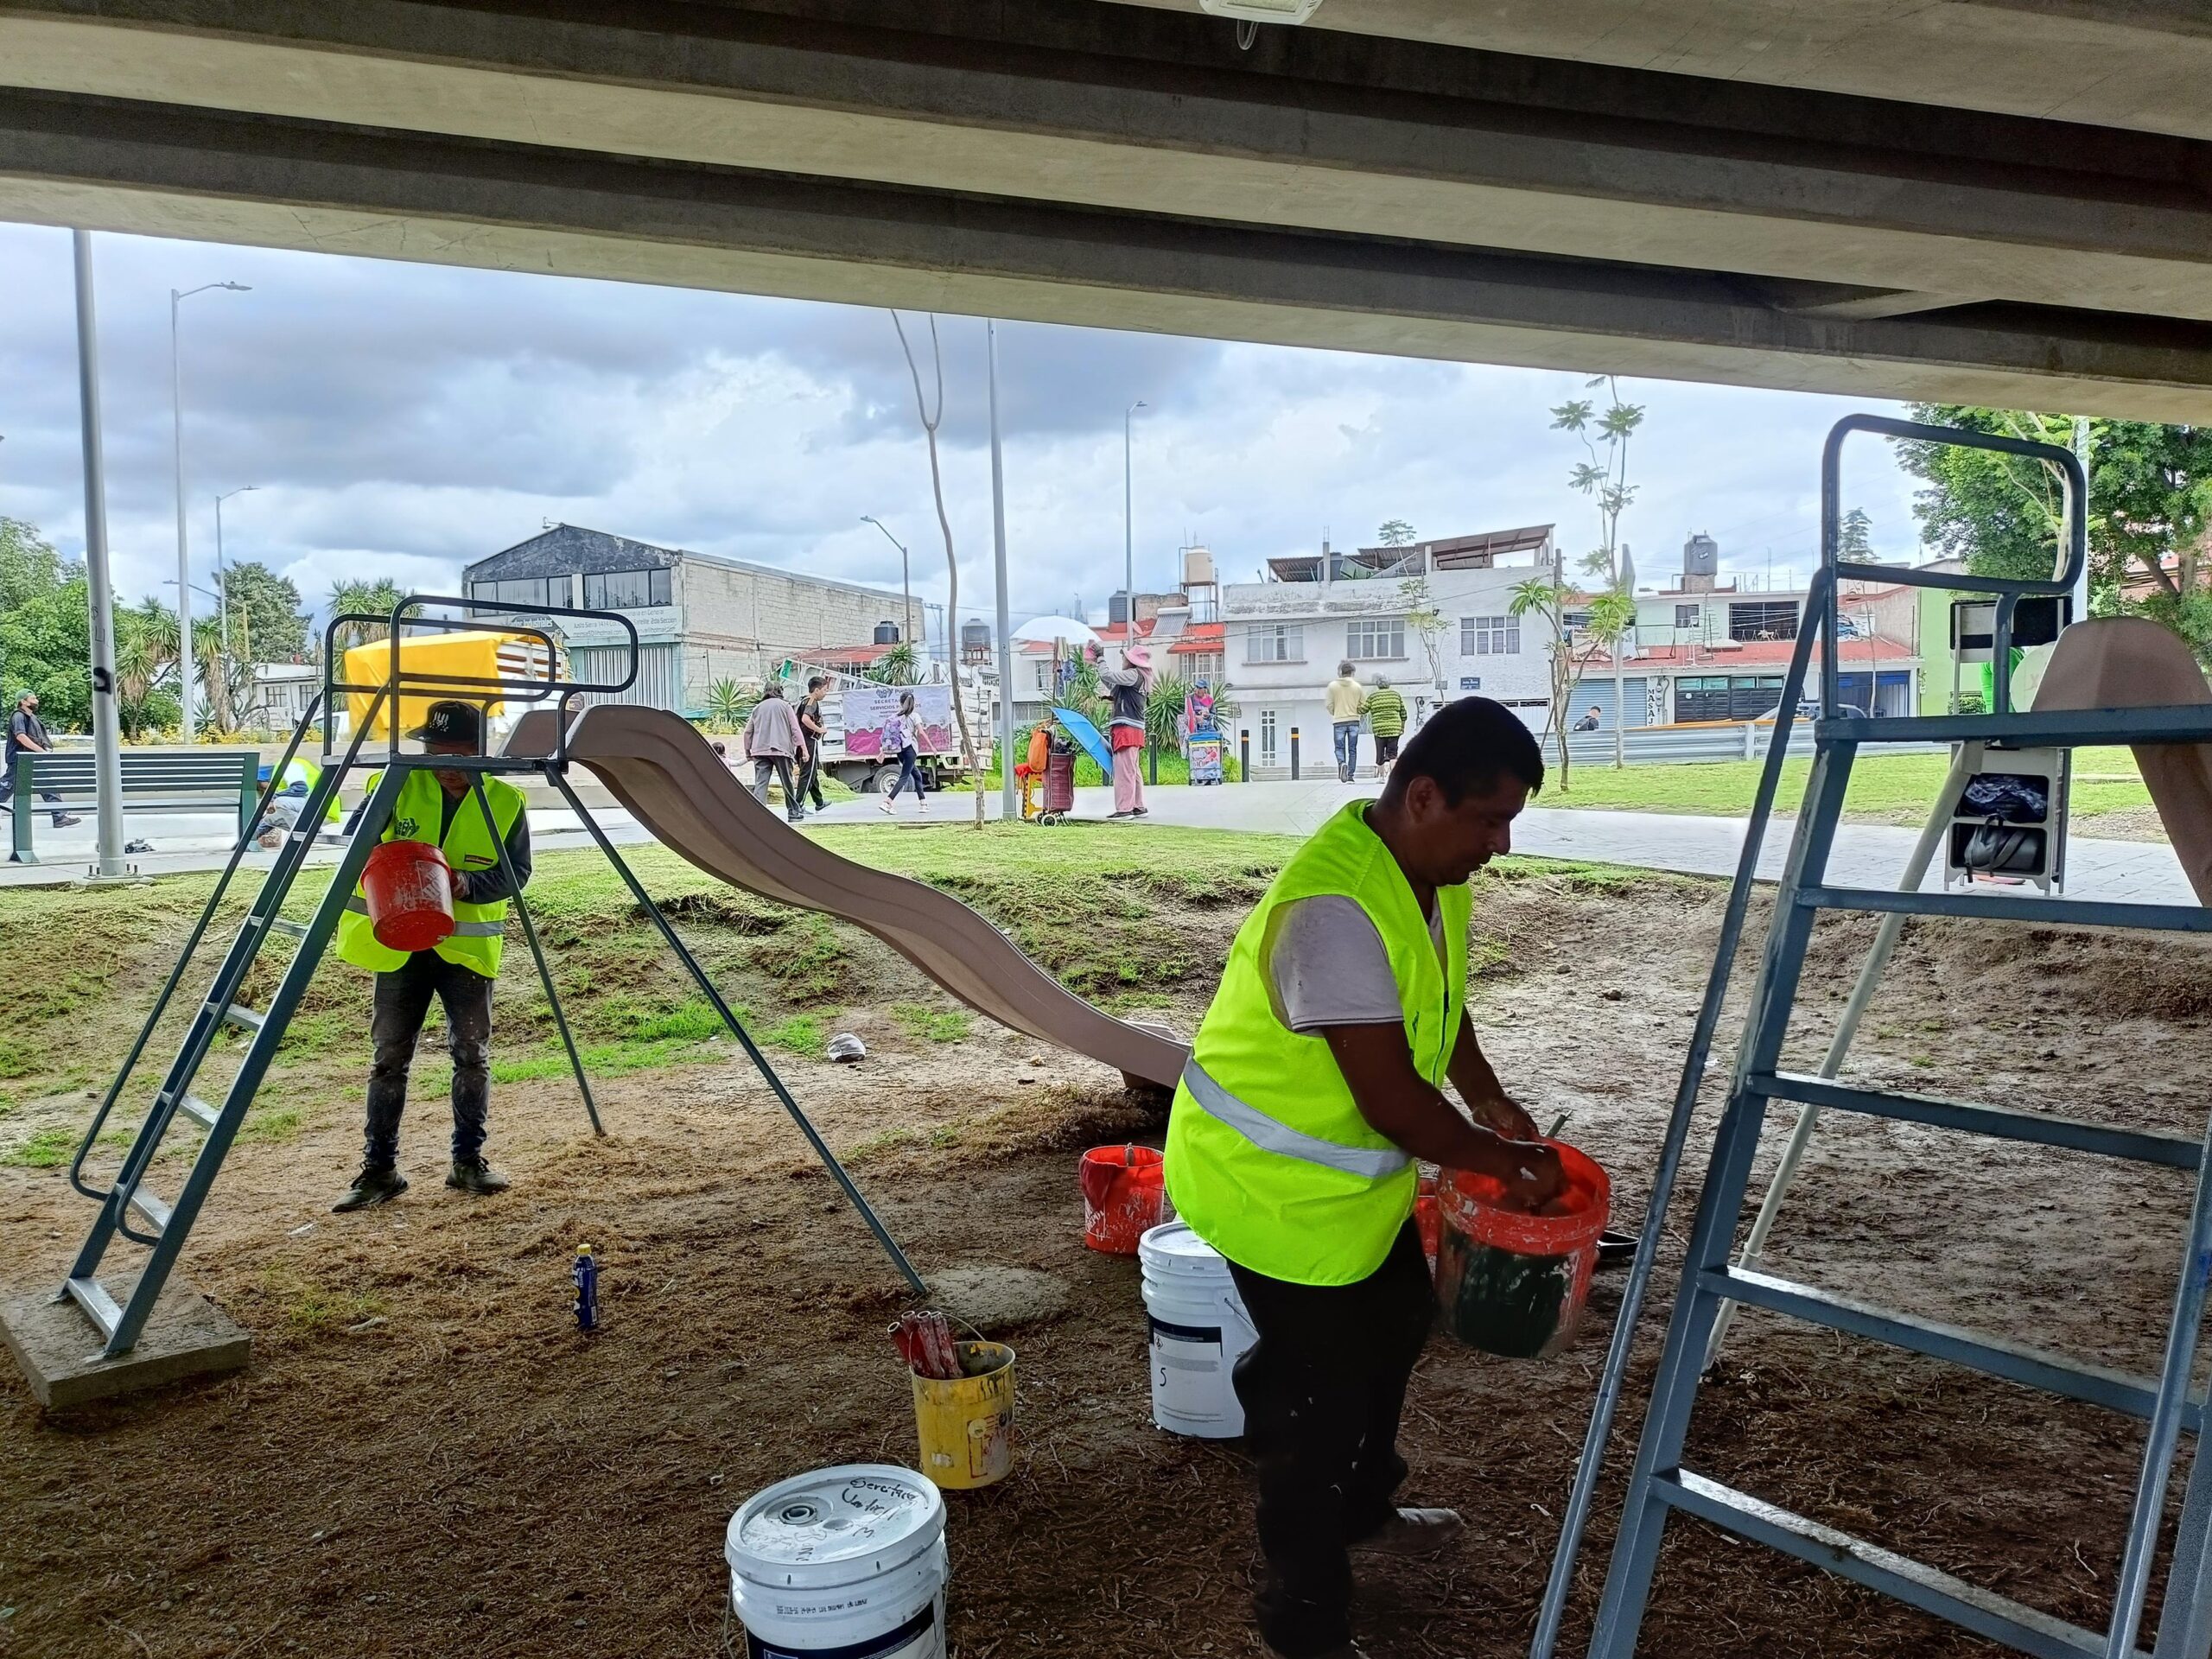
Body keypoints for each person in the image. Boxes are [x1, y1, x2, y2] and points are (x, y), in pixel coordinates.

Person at [1163, 696, 1565, 1659]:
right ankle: (1301, 1615)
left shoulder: (1428, 874)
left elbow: (1441, 1002)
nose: (1499, 844)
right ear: (1422, 795)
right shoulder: (1334, 913)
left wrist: (1493, 1103)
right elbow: (1389, 1099)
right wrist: (1502, 1160)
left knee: (1394, 1323)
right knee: (1325, 1406)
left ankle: (1353, 1499)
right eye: (1488, 819)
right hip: (1264, 1190)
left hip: (1340, 1193)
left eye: (1509, 821)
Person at [332, 701, 532, 1211]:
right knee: (389, 1060)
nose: (445, 763)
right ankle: (379, 1171)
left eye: (458, 753)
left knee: (471, 1055)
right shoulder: (394, 786)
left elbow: (517, 873)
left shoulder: (506, 800)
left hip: (464, 951)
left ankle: (468, 1162)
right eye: (436, 752)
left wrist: (464, 883)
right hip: (400, 946)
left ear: (479, 751)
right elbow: (356, 846)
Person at [3, 691, 82, 849]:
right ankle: (59, 816)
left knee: (48, 785)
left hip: (30, 759)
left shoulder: (31, 717)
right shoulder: (18, 716)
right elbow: (21, 737)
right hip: (22, 760)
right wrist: (41, 751)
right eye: (33, 698)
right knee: (5, 788)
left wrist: (44, 748)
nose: (36, 701)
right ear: (23, 702)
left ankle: (59, 816)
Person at [1100, 642, 1153, 819]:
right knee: (1133, 769)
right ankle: (1137, 806)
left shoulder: (1132, 675)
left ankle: (1125, 809)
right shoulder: (1139, 677)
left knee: (1123, 770)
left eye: (1125, 657)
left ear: (1131, 661)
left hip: (1126, 728)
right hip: (1135, 728)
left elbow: (1107, 675)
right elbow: (1110, 683)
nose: (1123, 659)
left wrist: (1100, 658)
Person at [742, 682, 809, 823]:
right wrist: (803, 748)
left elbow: (748, 732)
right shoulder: (785, 706)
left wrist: (748, 751)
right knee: (787, 782)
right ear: (780, 691)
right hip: (781, 750)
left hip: (759, 750)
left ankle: (758, 814)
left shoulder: (757, 708)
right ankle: (793, 812)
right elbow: (795, 728)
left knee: (761, 783)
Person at [879, 690, 930, 816]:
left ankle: (923, 803)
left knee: (917, 775)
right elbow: (921, 732)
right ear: (913, 703)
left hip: (900, 750)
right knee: (904, 777)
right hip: (910, 750)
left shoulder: (897, 716)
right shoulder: (915, 716)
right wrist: (932, 747)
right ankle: (887, 802)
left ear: (901, 703)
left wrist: (882, 751)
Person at [795, 676, 832, 812]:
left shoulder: (803, 700)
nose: (825, 693)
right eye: (824, 690)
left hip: (801, 741)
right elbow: (805, 719)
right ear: (816, 690)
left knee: (812, 773)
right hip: (809, 741)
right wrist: (820, 729)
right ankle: (797, 804)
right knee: (807, 773)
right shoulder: (812, 702)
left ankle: (819, 801)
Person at [1325, 660, 1367, 783]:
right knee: (1352, 749)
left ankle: (1342, 763)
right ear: (1352, 672)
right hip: (1354, 721)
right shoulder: (1357, 687)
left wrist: (1336, 712)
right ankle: (1350, 775)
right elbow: (1363, 705)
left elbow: (1329, 704)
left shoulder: (1332, 686)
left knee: (1339, 747)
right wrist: (1356, 711)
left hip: (1339, 721)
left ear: (1341, 672)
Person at [1363, 676, 1407, 780]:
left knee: (1380, 754)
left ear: (1378, 685)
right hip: (1394, 729)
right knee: (1393, 754)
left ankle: (1382, 777)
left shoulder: (1373, 696)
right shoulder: (1396, 695)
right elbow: (1404, 713)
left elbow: (1363, 710)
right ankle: (1395, 779)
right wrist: (1402, 727)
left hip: (1379, 730)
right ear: (1389, 684)